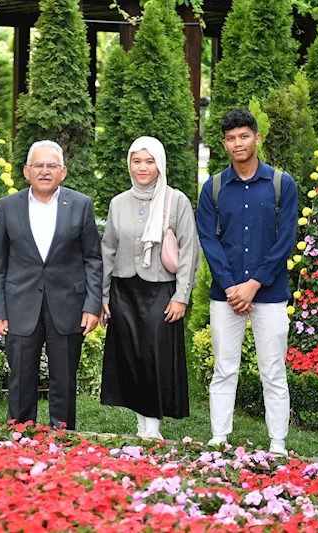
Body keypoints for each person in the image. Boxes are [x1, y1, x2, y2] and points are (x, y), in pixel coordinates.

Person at [196, 108, 298, 455]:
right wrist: (229, 287)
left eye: (243, 136)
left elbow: (286, 240)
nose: (237, 143)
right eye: (230, 138)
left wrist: (254, 284)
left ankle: (278, 442)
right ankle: (219, 436)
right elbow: (209, 240)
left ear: (257, 138)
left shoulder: (282, 184)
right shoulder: (213, 188)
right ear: (224, 144)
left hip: (269, 294)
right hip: (225, 294)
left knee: (273, 369)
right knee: (225, 367)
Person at [0, 140, 103, 430]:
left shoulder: (80, 205)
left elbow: (93, 259)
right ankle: (20, 435)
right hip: (20, 306)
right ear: (26, 171)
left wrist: (92, 306)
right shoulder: (8, 207)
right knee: (21, 378)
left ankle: (62, 438)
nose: (44, 171)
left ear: (63, 172)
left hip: (67, 306)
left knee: (64, 378)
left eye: (52, 165)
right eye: (38, 165)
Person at [100, 136, 200, 439]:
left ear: (160, 164)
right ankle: (141, 426)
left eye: (149, 160)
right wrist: (103, 296)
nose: (143, 167)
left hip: (160, 291)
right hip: (124, 290)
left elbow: (189, 251)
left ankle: (153, 427)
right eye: (136, 160)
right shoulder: (119, 203)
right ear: (129, 164)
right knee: (130, 356)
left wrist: (182, 296)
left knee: (154, 356)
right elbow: (108, 251)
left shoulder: (176, 200)